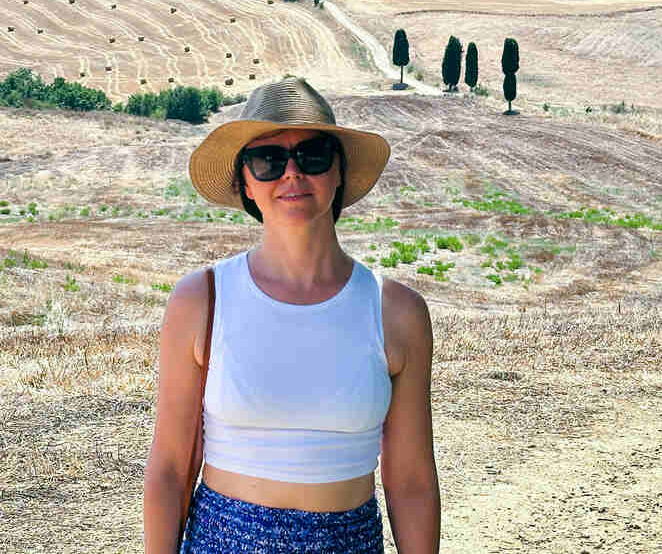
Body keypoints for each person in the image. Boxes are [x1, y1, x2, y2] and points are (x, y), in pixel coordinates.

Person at [143, 77, 440, 553]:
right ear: (244, 181)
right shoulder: (201, 300)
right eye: (267, 160)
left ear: (339, 171)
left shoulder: (398, 312)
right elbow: (170, 469)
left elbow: (411, 481)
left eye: (313, 155)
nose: (291, 173)